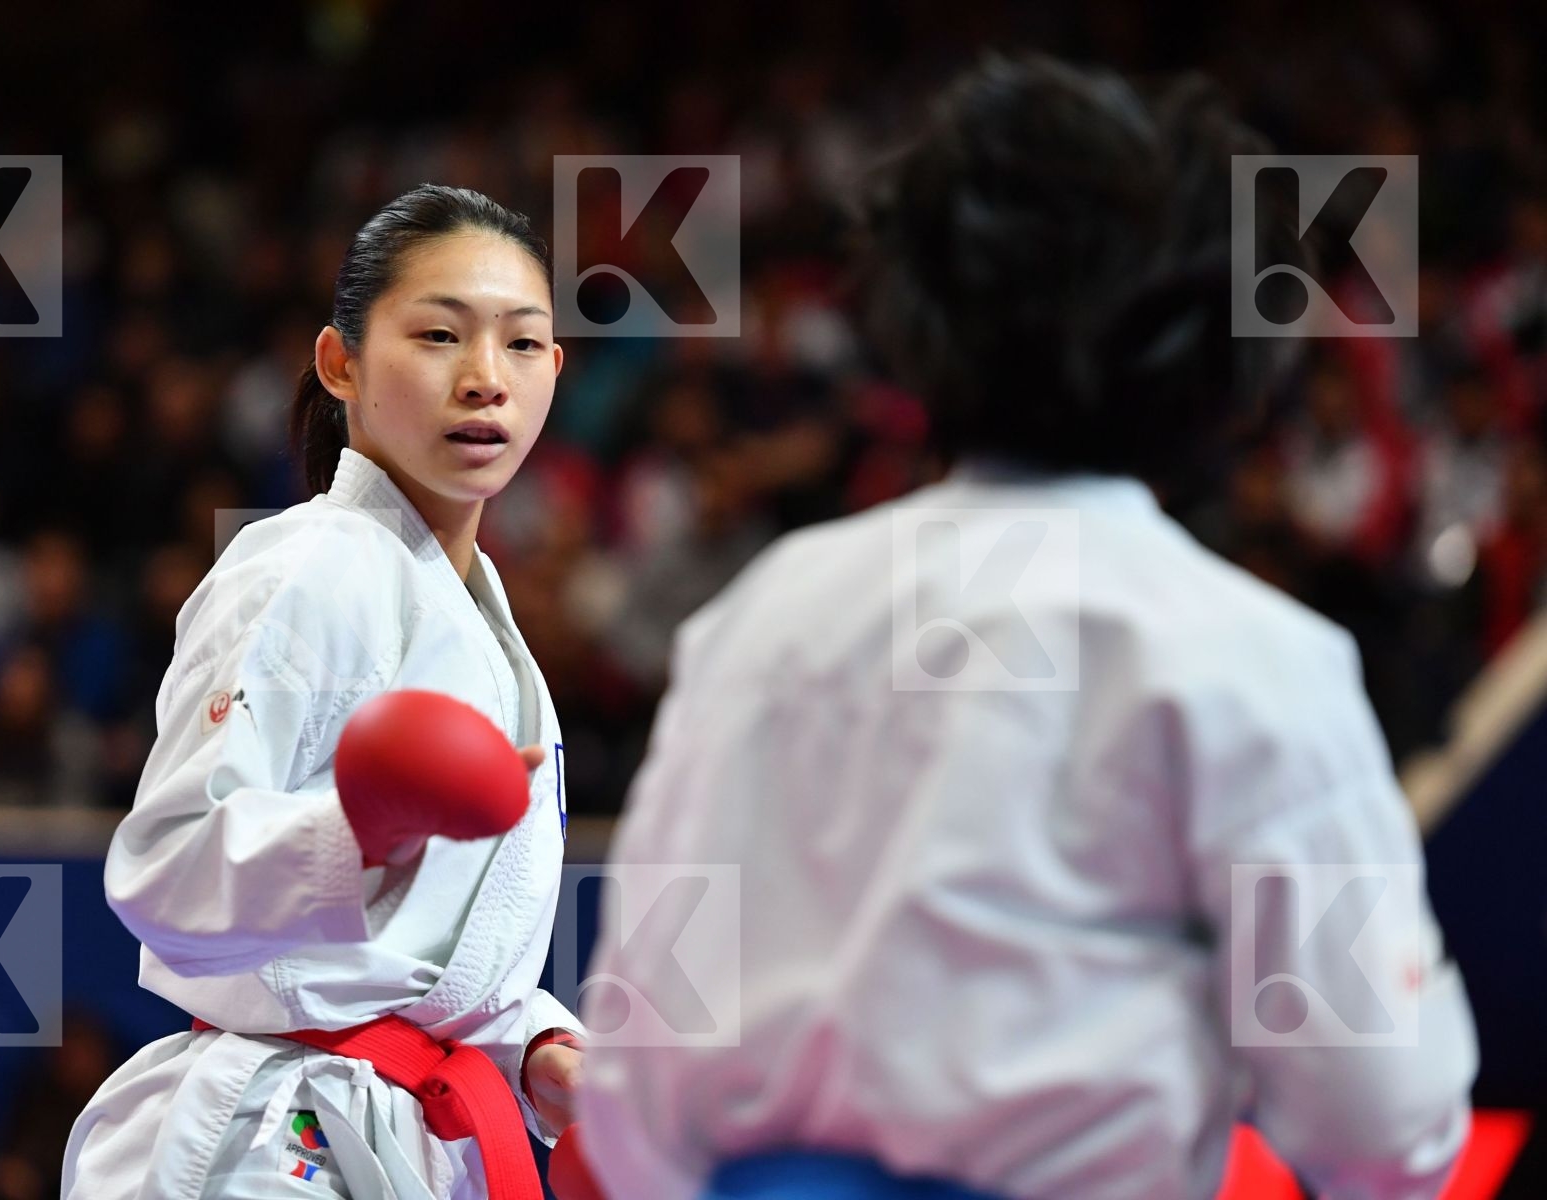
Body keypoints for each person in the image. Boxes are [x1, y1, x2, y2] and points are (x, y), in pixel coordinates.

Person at [574, 55, 1478, 1200]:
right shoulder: (1248, 659)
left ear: (911, 321)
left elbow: (637, 1071)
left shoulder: (762, 621)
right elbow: (1381, 1122)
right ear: (1215, 357)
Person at [62, 185, 587, 1200]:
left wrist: (533, 1048)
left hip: (406, 1129)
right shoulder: (302, 564)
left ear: (556, 371)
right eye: (440, 335)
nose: (486, 379)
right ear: (340, 363)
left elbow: (424, 954)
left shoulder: (470, 605)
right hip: (276, 1141)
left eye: (522, 345)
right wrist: (359, 827)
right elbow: (167, 871)